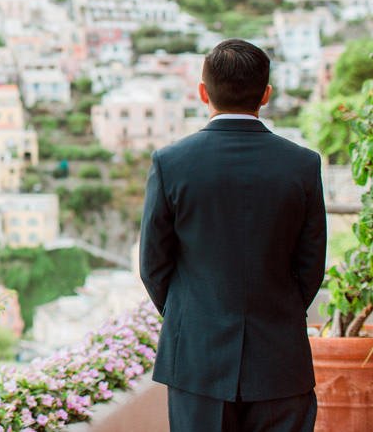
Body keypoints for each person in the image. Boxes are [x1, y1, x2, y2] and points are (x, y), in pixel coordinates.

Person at [139, 39, 326, 432]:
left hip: (196, 361)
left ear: (203, 92)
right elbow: (311, 267)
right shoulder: (303, 165)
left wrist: (190, 317)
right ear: (266, 95)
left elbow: (153, 265)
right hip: (280, 358)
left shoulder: (171, 163)